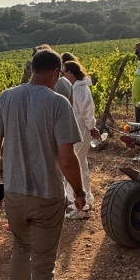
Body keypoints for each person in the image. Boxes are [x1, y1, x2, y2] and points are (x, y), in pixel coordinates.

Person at [0, 49, 86, 280]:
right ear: (56, 73)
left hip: (14, 193)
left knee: (20, 251)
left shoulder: (7, 97)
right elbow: (67, 159)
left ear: (33, 69)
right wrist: (79, 192)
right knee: (44, 267)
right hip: (47, 196)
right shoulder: (58, 102)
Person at [61, 60, 100, 219]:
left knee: (72, 167)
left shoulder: (79, 89)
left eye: (64, 72)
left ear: (70, 73)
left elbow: (86, 112)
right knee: (81, 165)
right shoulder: (77, 88)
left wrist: (92, 128)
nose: (62, 75)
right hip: (80, 129)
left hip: (79, 130)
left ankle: (78, 205)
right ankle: (85, 200)